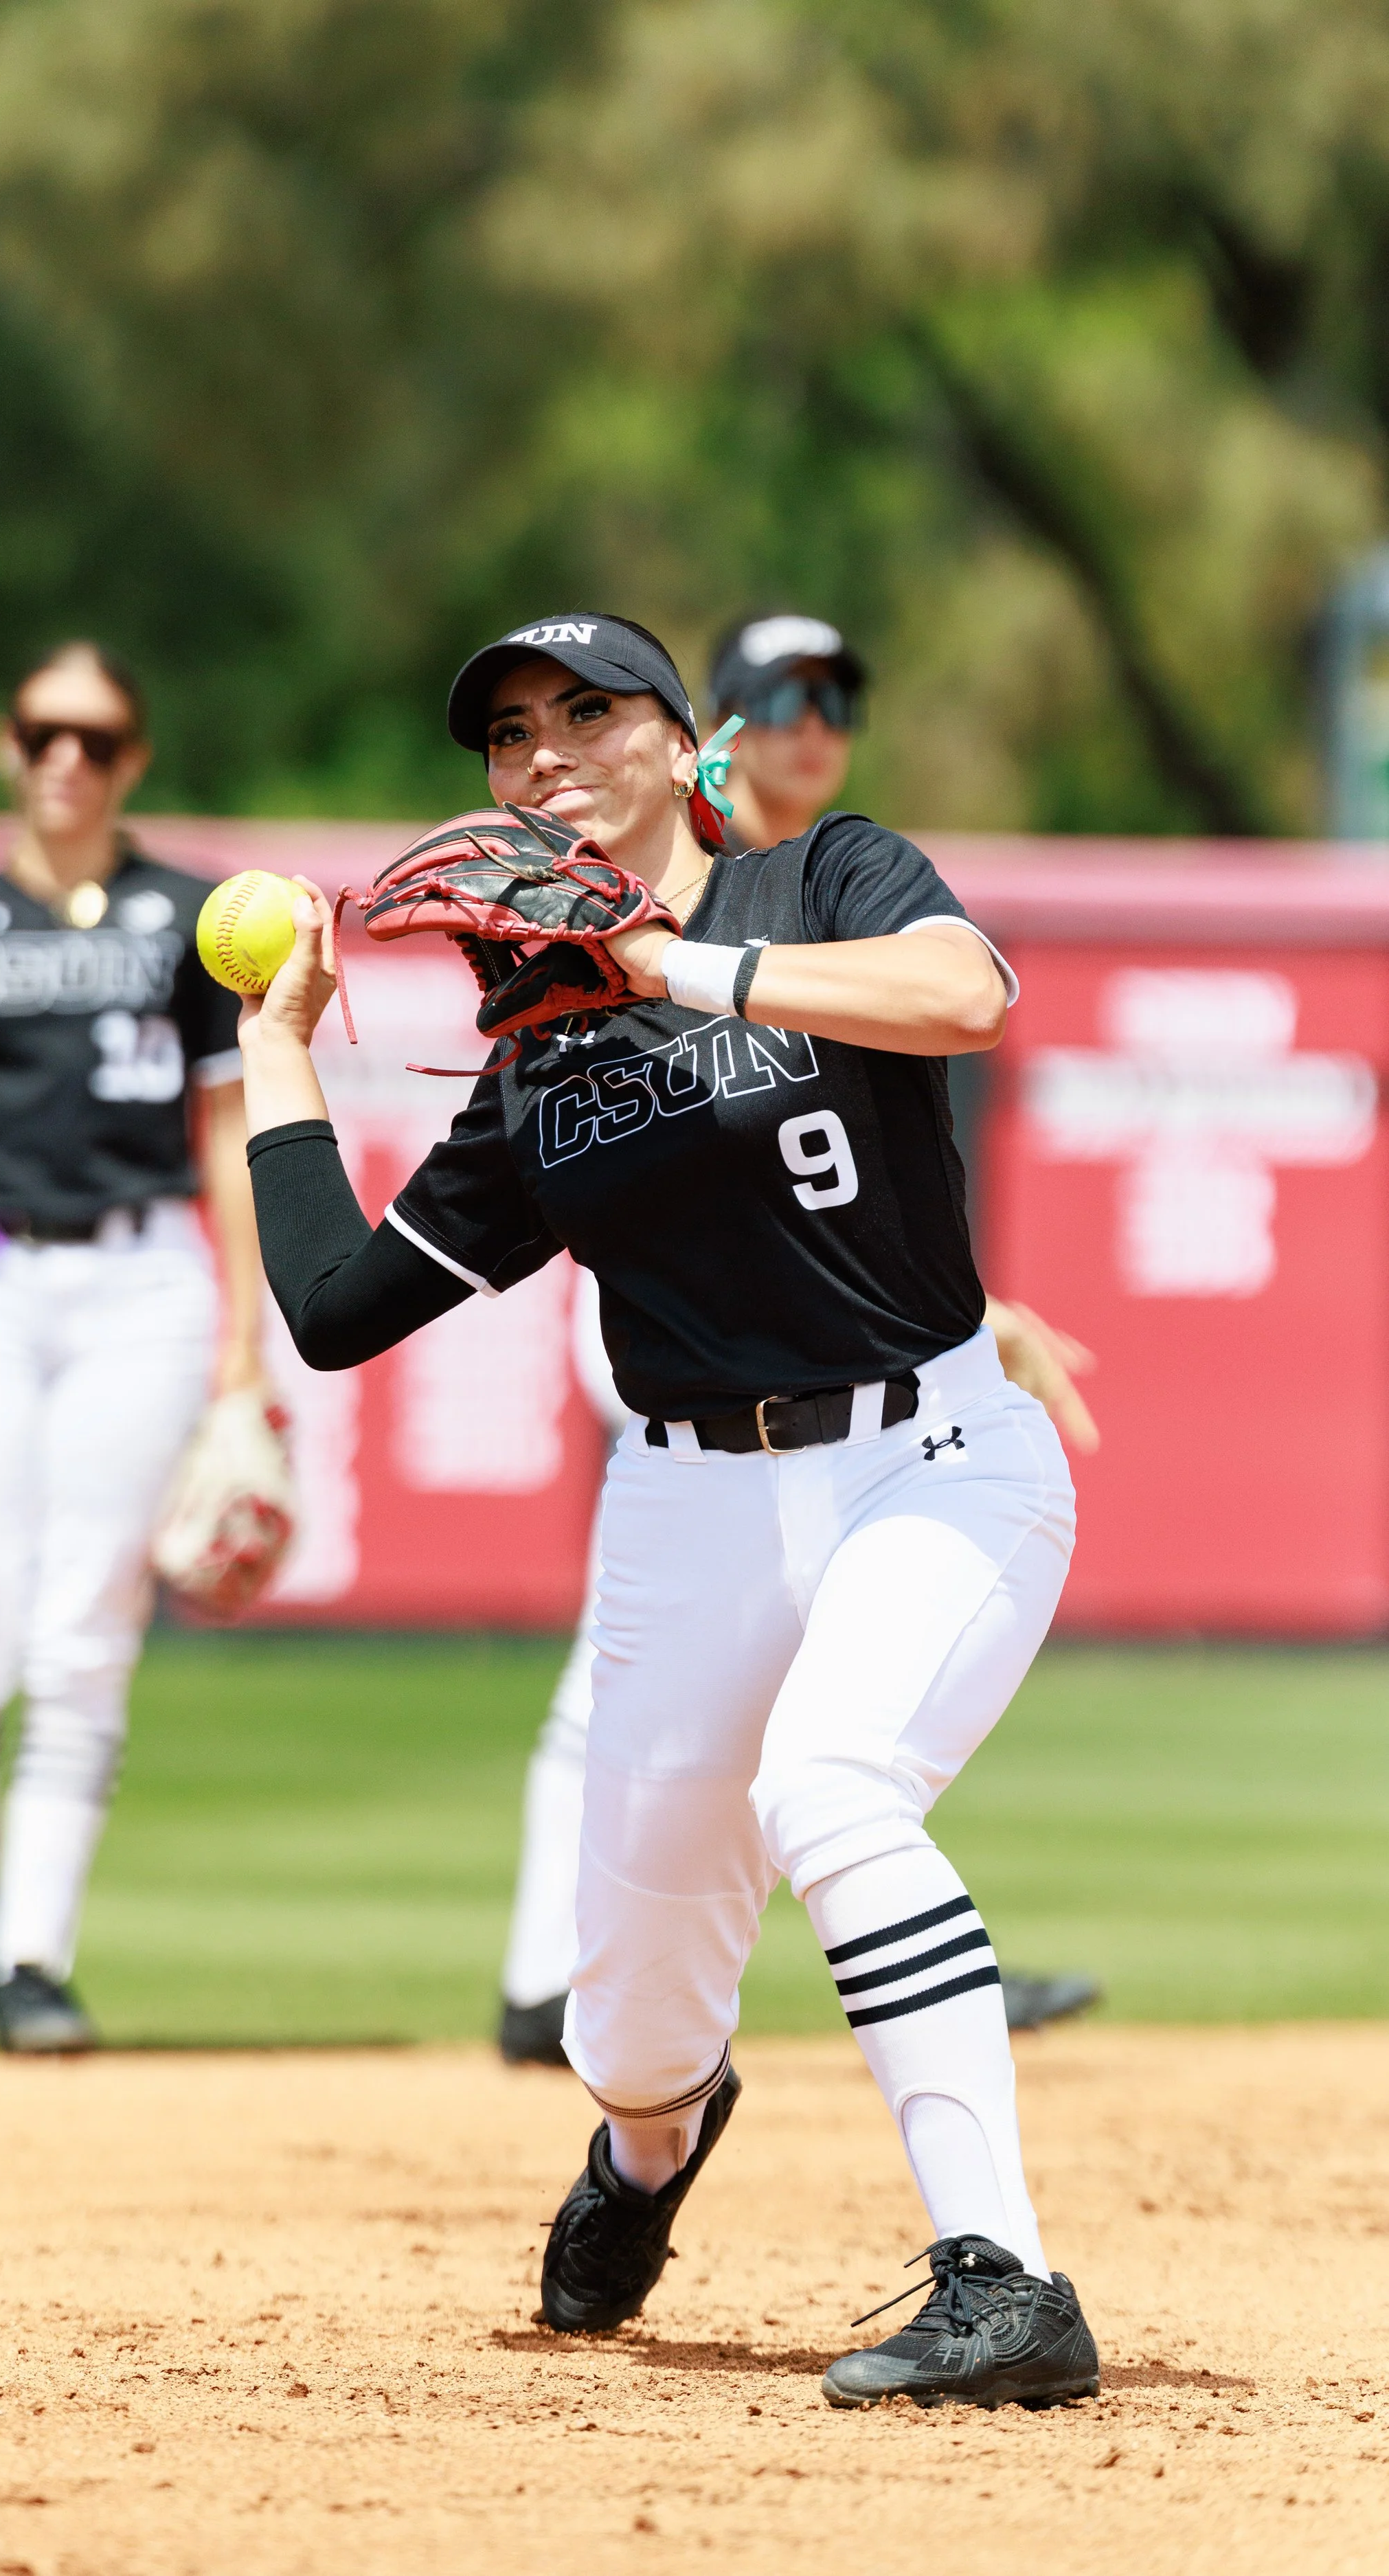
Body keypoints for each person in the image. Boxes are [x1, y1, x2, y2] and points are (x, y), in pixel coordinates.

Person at [238, 611, 1100, 2408]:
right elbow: (332, 1310)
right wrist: (279, 1045)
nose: (541, 750)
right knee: (624, 2028)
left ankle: (1001, 2276)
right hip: (688, 1512)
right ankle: (650, 2149)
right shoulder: (543, 1062)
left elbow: (968, 996)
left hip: (928, 1458)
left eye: (585, 709)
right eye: (504, 732)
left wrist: (674, 969)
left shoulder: (820, 877)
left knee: (833, 1782)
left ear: (684, 739)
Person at [498, 610, 1100, 2067]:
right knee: (641, 1664)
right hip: (669, 1311)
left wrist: (979, 1315)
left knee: (825, 1733)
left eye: (834, 691)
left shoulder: (831, 868)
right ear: (714, 722)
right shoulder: (644, 872)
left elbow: (878, 1114)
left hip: (849, 1337)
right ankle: (561, 1983)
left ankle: (855, 1913)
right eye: (773, 691)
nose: (805, 718)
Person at [0, 642, 264, 2054]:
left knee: (83, 1628)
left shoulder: (194, 920)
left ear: (133, 762)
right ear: (6, 743)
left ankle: (35, 1957)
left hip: (142, 1274)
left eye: (97, 740)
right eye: (46, 732)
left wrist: (244, 1363)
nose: (67, 760)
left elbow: (227, 1140)